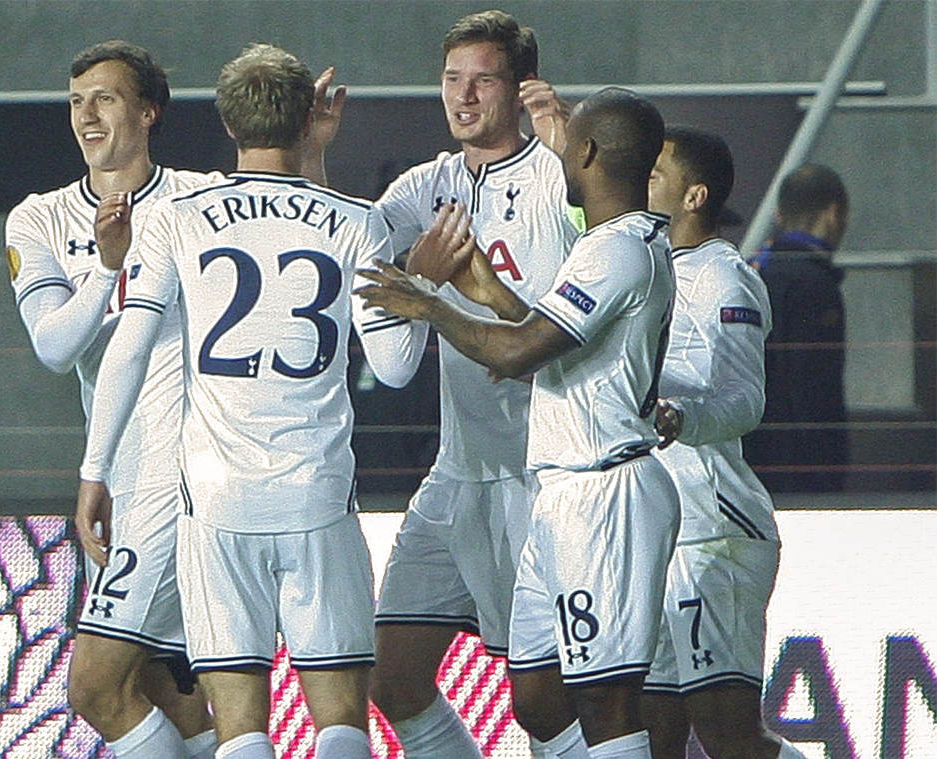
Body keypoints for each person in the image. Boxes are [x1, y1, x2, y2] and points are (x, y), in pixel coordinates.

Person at [76, 43, 428, 759]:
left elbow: (129, 348)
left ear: (227, 126)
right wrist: (424, 296)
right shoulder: (358, 220)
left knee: (240, 728)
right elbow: (392, 369)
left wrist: (94, 471)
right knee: (338, 721)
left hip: (216, 503)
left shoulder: (178, 216)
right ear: (308, 122)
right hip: (318, 498)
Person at [358, 86, 679, 759]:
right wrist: (493, 296)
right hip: (559, 493)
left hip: (605, 489)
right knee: (535, 695)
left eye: (569, 138)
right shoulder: (614, 243)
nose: (556, 149)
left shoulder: (615, 249)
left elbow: (520, 351)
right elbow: (543, 341)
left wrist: (430, 303)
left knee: (606, 698)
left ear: (586, 150)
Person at [366, 10, 579, 759]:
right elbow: (349, 243)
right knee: (393, 680)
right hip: (458, 472)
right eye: (452, 80)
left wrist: (571, 147)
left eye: (481, 79)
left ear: (522, 89)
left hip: (547, 471)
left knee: (544, 704)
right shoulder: (426, 185)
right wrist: (318, 162)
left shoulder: (561, 177)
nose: (462, 96)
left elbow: (621, 256)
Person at [5, 40, 220, 759]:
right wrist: (106, 268)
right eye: (75, 101)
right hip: (114, 482)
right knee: (170, 696)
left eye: (105, 98)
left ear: (149, 111)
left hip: (184, 477)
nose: (86, 115)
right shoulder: (36, 219)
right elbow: (54, 345)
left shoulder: (200, 199)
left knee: (95, 687)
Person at [643, 126, 808, 759]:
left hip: (716, 532)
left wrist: (678, 415)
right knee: (652, 732)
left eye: (656, 174)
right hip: (656, 531)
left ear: (694, 196)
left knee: (727, 732)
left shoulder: (725, 280)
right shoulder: (643, 267)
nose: (642, 183)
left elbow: (745, 400)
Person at [742, 164, 850, 493]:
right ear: (834, 213)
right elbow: (813, 385)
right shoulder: (815, 284)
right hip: (797, 466)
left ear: (778, 213)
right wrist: (827, 468)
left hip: (748, 455)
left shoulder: (752, 272)